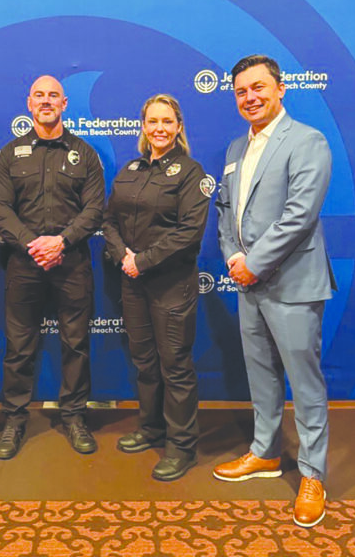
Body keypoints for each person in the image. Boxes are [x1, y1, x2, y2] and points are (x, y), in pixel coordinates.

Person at [213, 55, 336, 527]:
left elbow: (300, 215)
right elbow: (225, 211)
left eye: (259, 87)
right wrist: (233, 257)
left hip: (292, 283)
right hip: (248, 284)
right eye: (241, 91)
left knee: (305, 385)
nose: (250, 97)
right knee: (261, 375)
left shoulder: (307, 140)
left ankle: (313, 474)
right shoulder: (235, 148)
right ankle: (265, 452)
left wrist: (255, 263)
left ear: (280, 88)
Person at [0, 75, 104, 458]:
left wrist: (61, 242)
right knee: (19, 347)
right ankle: (14, 420)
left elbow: (94, 209)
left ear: (64, 103)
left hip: (72, 264)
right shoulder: (10, 154)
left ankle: (74, 416)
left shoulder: (85, 154)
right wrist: (33, 244)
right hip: (24, 265)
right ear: (29, 103)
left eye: (53, 95)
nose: (46, 101)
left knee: (76, 344)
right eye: (39, 95)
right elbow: (0, 210)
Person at [103, 94, 211, 481]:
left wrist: (142, 261)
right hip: (133, 282)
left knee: (175, 366)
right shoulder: (130, 169)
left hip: (171, 284)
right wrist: (123, 256)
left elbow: (189, 233)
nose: (160, 128)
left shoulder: (191, 172)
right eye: (153, 121)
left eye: (167, 121)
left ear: (178, 127)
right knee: (145, 362)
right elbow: (109, 220)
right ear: (144, 127)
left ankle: (181, 447)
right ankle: (151, 428)